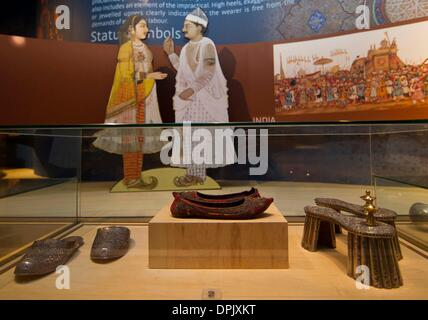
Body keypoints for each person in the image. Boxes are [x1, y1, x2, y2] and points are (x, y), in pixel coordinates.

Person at [93, 15, 167, 189]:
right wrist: (150, 76)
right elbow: (127, 76)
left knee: (139, 139)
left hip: (143, 97)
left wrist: (149, 80)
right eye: (142, 26)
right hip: (128, 99)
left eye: (146, 26)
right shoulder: (126, 48)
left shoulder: (146, 49)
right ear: (131, 30)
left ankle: (136, 177)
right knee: (129, 139)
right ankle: (130, 178)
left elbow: (143, 73)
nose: (146, 30)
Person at [163, 7, 231, 187]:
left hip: (205, 100)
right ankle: (192, 175)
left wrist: (191, 90)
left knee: (202, 138)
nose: (183, 30)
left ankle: (199, 177)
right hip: (190, 102)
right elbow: (184, 71)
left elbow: (208, 73)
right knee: (189, 137)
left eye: (187, 26)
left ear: (199, 27)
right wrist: (171, 54)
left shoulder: (207, 44)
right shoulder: (185, 48)